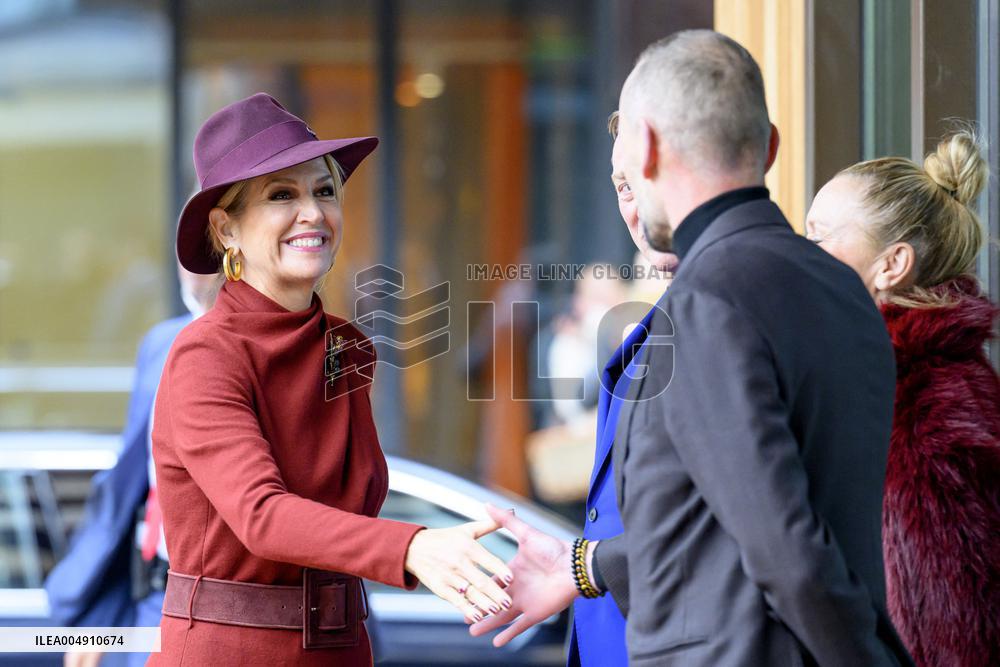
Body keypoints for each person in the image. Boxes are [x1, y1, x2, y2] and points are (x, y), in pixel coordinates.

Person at [472, 30, 913, 666]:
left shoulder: (705, 302)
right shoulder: (843, 288)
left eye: (625, 167)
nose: (623, 195)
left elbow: (785, 554)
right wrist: (585, 564)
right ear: (771, 147)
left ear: (646, 146)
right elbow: (720, 529)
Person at [150, 93, 513, 666]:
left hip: (342, 646)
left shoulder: (345, 345)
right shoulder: (205, 354)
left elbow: (345, 515)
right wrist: (413, 546)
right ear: (226, 230)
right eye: (282, 195)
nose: (314, 213)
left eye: (324, 191)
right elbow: (263, 516)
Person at [806, 128, 1000, 667]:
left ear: (891, 264)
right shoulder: (881, 381)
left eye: (819, 237)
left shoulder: (919, 405)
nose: (801, 254)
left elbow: (952, 627)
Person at [45, 266, 223, 667]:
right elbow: (128, 490)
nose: (197, 266)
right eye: (187, 249)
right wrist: (101, 621)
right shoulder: (161, 343)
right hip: (152, 596)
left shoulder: (283, 348)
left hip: (232, 604)